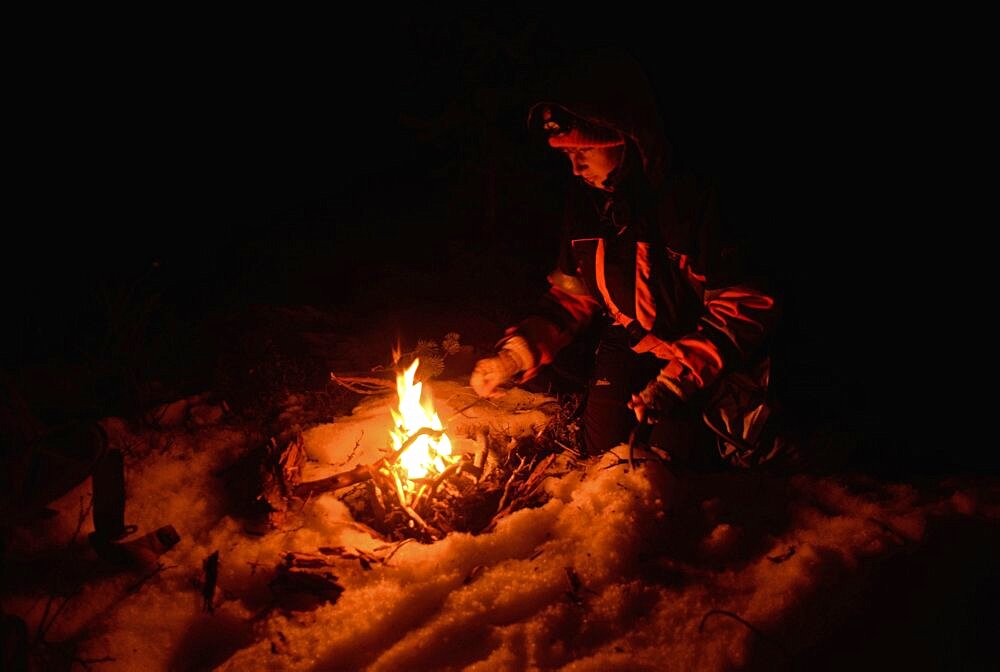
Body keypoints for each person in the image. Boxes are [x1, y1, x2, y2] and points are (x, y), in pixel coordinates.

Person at [470, 52, 785, 469]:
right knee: (602, 451)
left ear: (629, 142)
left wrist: (676, 382)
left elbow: (744, 307)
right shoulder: (586, 205)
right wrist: (515, 355)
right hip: (629, 341)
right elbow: (572, 298)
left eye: (585, 152)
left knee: (666, 461)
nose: (575, 167)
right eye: (566, 155)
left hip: (696, 352)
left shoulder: (694, 201)